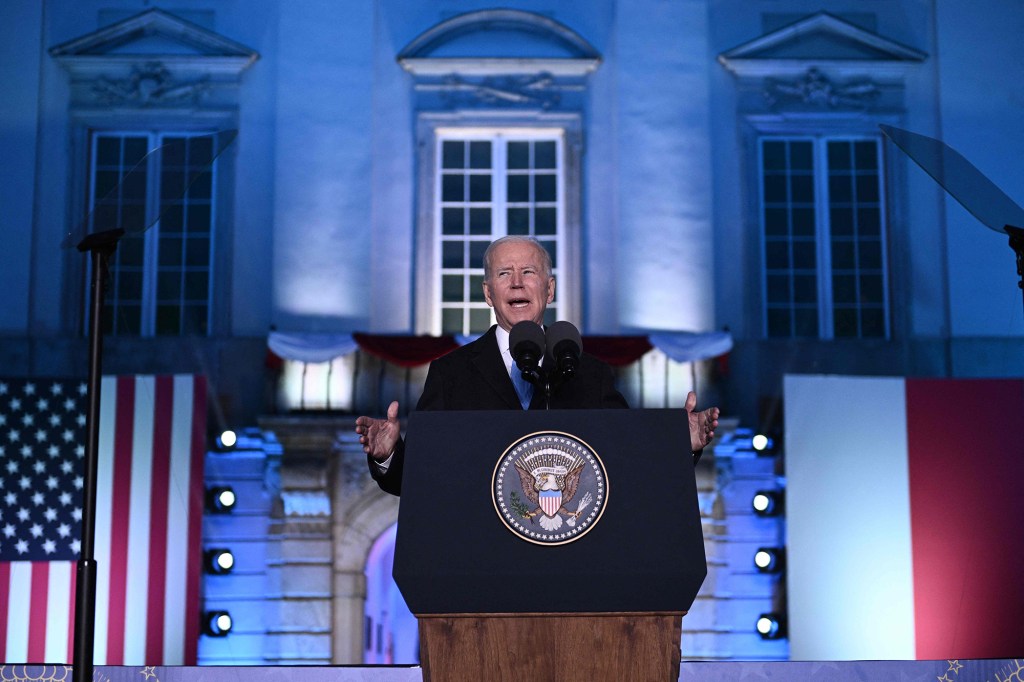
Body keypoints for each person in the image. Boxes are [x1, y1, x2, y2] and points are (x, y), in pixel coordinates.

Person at [356, 235, 719, 495]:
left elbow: (628, 465)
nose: (516, 282)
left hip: (571, 565)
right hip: (482, 563)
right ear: (487, 294)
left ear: (549, 289)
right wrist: (390, 453)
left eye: (528, 272)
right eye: (503, 274)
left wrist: (681, 445)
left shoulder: (590, 373)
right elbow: (419, 478)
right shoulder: (451, 373)